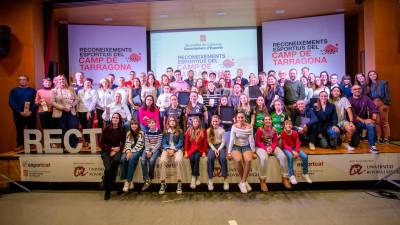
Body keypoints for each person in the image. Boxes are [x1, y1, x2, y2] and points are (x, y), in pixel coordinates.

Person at [255, 115, 291, 190]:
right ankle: (262, 180)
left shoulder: (274, 130)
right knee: (264, 158)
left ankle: (284, 178)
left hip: (271, 146)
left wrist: (272, 148)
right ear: (263, 121)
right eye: (266, 119)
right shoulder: (259, 129)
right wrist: (266, 148)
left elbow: (275, 142)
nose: (268, 121)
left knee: (283, 157)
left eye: (269, 119)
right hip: (261, 147)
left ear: (271, 121)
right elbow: (257, 142)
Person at [227, 112, 256, 194]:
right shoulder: (234, 126)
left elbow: (251, 140)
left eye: (242, 117)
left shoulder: (249, 127)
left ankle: (242, 182)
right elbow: (232, 140)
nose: (240, 119)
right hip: (236, 146)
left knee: (249, 160)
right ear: (236, 118)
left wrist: (253, 151)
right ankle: (244, 182)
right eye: (239, 117)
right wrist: (229, 152)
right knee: (238, 160)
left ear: (245, 118)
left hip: (246, 146)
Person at [100, 113, 126, 200]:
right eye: (113, 117)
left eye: (117, 118)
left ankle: (106, 183)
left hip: (117, 150)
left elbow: (124, 142)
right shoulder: (106, 129)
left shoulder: (122, 130)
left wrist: (118, 149)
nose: (115, 119)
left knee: (116, 161)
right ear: (111, 119)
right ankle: (108, 189)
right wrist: (110, 149)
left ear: (119, 120)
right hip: (106, 151)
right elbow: (101, 143)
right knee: (108, 168)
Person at [9, 74, 37, 150]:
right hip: (18, 114)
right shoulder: (14, 91)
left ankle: (32, 144)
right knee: (19, 129)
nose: (22, 81)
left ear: (27, 81)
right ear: (18, 81)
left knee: (32, 129)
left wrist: (31, 111)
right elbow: (11, 102)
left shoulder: (33, 91)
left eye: (24, 79)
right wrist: (19, 111)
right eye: (20, 79)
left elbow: (36, 102)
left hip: (30, 114)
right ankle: (20, 145)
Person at [349, 85, 379, 153]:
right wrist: (364, 120)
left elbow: (374, 108)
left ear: (361, 90)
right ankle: (353, 142)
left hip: (363, 122)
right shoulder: (349, 100)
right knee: (354, 144)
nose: (357, 90)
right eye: (355, 89)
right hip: (354, 122)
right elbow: (353, 114)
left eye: (359, 88)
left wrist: (373, 120)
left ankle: (372, 146)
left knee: (371, 125)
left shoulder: (366, 98)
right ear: (352, 91)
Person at [51, 75, 79, 149]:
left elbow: (77, 99)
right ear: (57, 81)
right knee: (63, 129)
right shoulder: (54, 90)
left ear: (65, 80)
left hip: (71, 111)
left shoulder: (71, 89)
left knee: (72, 127)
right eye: (59, 79)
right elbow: (52, 102)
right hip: (61, 112)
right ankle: (65, 146)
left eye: (63, 79)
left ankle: (73, 145)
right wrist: (63, 108)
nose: (61, 80)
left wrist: (72, 105)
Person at [280, 120, 312, 185]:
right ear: (284, 126)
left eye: (290, 124)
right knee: (290, 156)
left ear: (292, 126)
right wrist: (292, 152)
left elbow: (298, 142)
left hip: (294, 148)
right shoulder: (283, 133)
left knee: (305, 157)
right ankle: (291, 175)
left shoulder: (294, 132)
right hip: (286, 148)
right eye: (287, 124)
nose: (288, 126)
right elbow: (284, 145)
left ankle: (305, 173)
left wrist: (296, 151)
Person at [159, 116, 185, 195]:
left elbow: (180, 143)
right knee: (162, 161)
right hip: (167, 149)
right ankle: (163, 183)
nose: (172, 122)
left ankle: (179, 183)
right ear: (168, 123)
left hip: (177, 149)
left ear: (176, 122)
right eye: (170, 121)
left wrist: (174, 150)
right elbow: (163, 143)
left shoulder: (180, 131)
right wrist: (167, 149)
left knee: (178, 160)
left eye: (173, 120)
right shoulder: (165, 131)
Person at [119, 119, 144, 192]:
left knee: (132, 159)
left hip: (138, 149)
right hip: (129, 150)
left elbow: (139, 145)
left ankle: (127, 182)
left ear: (138, 125)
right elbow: (127, 143)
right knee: (123, 159)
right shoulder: (128, 133)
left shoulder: (141, 133)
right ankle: (130, 180)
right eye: (132, 124)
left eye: (135, 124)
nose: (134, 125)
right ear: (130, 125)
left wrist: (131, 152)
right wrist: (128, 151)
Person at [206, 115, 229, 191]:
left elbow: (223, 142)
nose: (215, 123)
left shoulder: (222, 130)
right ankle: (210, 180)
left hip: (220, 146)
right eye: (213, 121)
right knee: (210, 158)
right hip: (212, 147)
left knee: (223, 158)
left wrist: (218, 150)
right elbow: (209, 142)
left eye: (216, 121)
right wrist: (214, 150)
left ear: (219, 121)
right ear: (211, 122)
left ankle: (225, 180)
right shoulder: (209, 130)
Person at [184, 116, 208, 189]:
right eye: (194, 121)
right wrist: (186, 152)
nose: (196, 123)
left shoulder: (203, 130)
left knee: (197, 157)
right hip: (191, 150)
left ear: (199, 123)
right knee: (191, 158)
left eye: (197, 121)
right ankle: (196, 176)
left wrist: (204, 152)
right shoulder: (189, 130)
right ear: (192, 123)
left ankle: (193, 178)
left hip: (200, 149)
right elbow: (186, 142)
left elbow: (205, 143)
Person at [368, 70, 391, 144]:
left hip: (382, 103)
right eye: (370, 75)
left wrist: (386, 104)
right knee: (376, 122)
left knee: (384, 122)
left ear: (376, 75)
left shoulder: (383, 83)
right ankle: (379, 137)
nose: (372, 76)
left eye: (374, 74)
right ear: (369, 77)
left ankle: (386, 138)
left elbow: (387, 94)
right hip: (374, 104)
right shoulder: (370, 85)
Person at [140, 119, 163, 191]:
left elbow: (158, 143)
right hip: (148, 148)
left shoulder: (159, 131)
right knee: (143, 160)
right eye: (150, 123)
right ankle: (147, 179)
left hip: (156, 149)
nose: (152, 124)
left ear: (156, 123)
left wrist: (152, 152)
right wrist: (147, 151)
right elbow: (146, 143)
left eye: (153, 123)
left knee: (152, 160)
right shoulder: (146, 132)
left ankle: (151, 175)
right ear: (148, 125)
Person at [77, 78, 98, 146]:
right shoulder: (80, 91)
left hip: (89, 111)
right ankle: (86, 141)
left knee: (89, 126)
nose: (87, 84)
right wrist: (77, 111)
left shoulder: (93, 91)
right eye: (85, 83)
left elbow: (94, 102)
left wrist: (89, 111)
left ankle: (89, 142)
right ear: (84, 84)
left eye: (89, 83)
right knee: (84, 127)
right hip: (80, 110)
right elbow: (78, 101)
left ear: (91, 84)